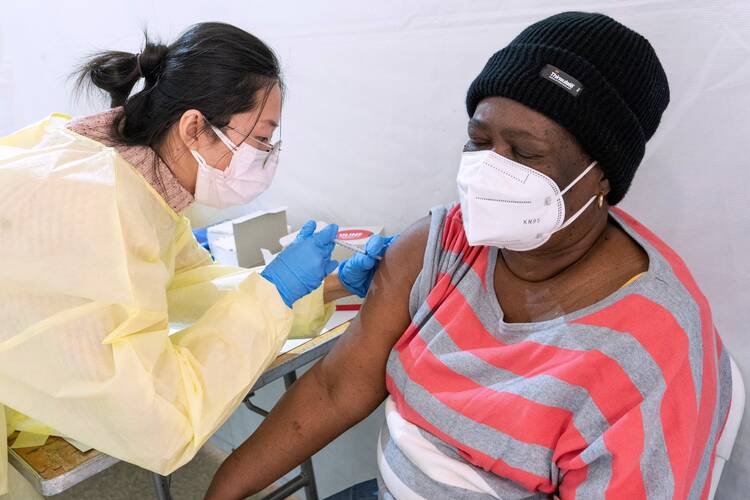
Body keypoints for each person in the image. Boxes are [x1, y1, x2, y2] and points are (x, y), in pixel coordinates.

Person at [205, 12, 732, 500]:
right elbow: (335, 388)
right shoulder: (444, 244)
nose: (489, 172)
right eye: (479, 141)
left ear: (601, 175)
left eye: (525, 153)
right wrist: (220, 492)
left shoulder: (650, 352)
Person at [0, 22, 392, 495]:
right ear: (193, 128)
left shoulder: (130, 181)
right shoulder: (99, 205)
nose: (267, 156)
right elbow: (158, 422)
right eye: (262, 138)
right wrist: (276, 291)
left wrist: (326, 287)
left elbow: (192, 287)